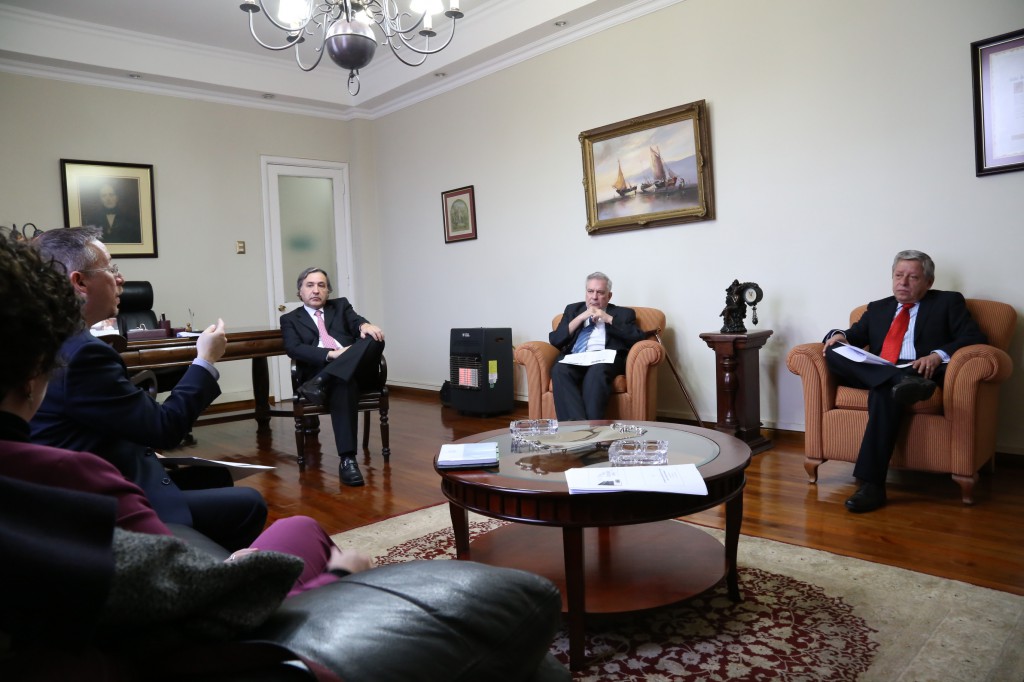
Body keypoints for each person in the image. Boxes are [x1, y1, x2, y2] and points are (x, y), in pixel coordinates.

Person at [29, 226, 267, 551]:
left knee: (217, 477)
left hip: (94, 477)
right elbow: (165, 428)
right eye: (111, 268)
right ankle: (206, 574)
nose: (121, 278)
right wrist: (205, 360)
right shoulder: (83, 353)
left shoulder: (51, 340)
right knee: (250, 502)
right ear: (80, 282)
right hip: (106, 502)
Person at [822, 249, 986, 513]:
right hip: (882, 368)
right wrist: (839, 336)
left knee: (885, 391)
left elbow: (974, 337)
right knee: (833, 349)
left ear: (928, 282)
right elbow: (853, 335)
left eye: (913, 277)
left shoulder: (948, 302)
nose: (903, 282)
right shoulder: (878, 308)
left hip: (920, 369)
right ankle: (898, 379)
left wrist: (937, 355)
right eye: (898, 276)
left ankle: (872, 486)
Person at [280, 267, 385, 487]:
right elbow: (293, 348)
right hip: (329, 371)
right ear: (300, 291)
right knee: (343, 382)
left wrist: (365, 325)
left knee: (375, 338)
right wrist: (331, 354)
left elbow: (356, 321)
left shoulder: (340, 306)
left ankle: (321, 381)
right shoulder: (290, 319)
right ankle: (348, 460)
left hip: (356, 371)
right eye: (310, 285)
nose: (316, 290)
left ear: (328, 291)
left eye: (321, 285)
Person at [549, 271, 646, 421]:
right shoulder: (573, 310)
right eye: (590, 291)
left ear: (609, 296)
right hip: (576, 358)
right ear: (586, 293)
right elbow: (556, 340)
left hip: (604, 359)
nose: (594, 297)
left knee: (597, 371)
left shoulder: (623, 313)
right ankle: (582, 428)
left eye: (600, 292)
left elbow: (637, 337)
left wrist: (608, 318)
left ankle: (584, 428)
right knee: (559, 370)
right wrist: (581, 317)